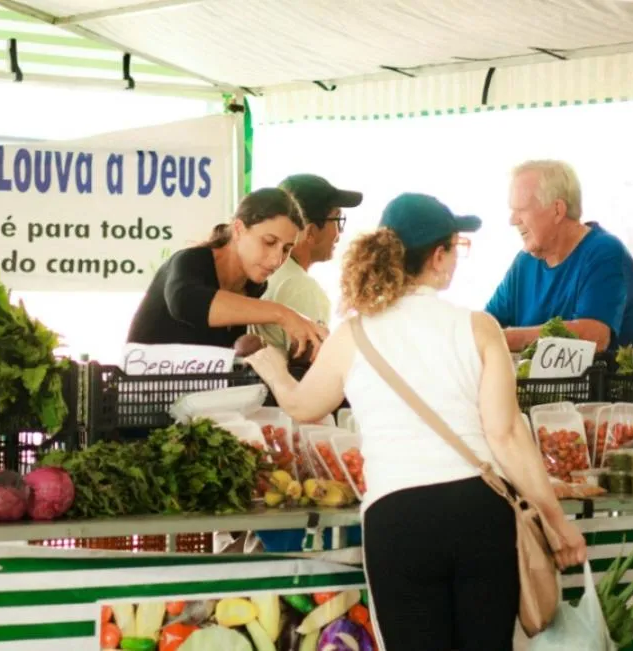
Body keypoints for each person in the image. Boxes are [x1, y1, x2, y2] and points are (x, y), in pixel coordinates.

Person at [244, 193, 587, 650]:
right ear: (439, 256)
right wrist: (556, 521)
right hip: (479, 513)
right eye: (457, 248)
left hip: (398, 519)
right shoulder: (478, 328)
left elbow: (305, 406)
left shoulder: (354, 333)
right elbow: (506, 436)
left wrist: (271, 368)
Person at [486, 160, 633, 364]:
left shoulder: (604, 252)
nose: (513, 220)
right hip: (554, 395)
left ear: (557, 210)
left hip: (616, 394)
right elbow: (486, 326)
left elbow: (593, 337)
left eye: (521, 210)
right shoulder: (523, 264)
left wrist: (507, 338)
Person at [127, 187, 327, 357]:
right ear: (239, 229)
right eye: (269, 242)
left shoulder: (253, 286)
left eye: (286, 249)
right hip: (142, 397)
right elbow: (186, 303)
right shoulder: (190, 261)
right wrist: (283, 314)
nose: (277, 259)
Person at [251, 174, 362, 357]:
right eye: (337, 220)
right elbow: (312, 368)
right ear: (310, 232)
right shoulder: (301, 288)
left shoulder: (266, 274)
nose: (340, 233)